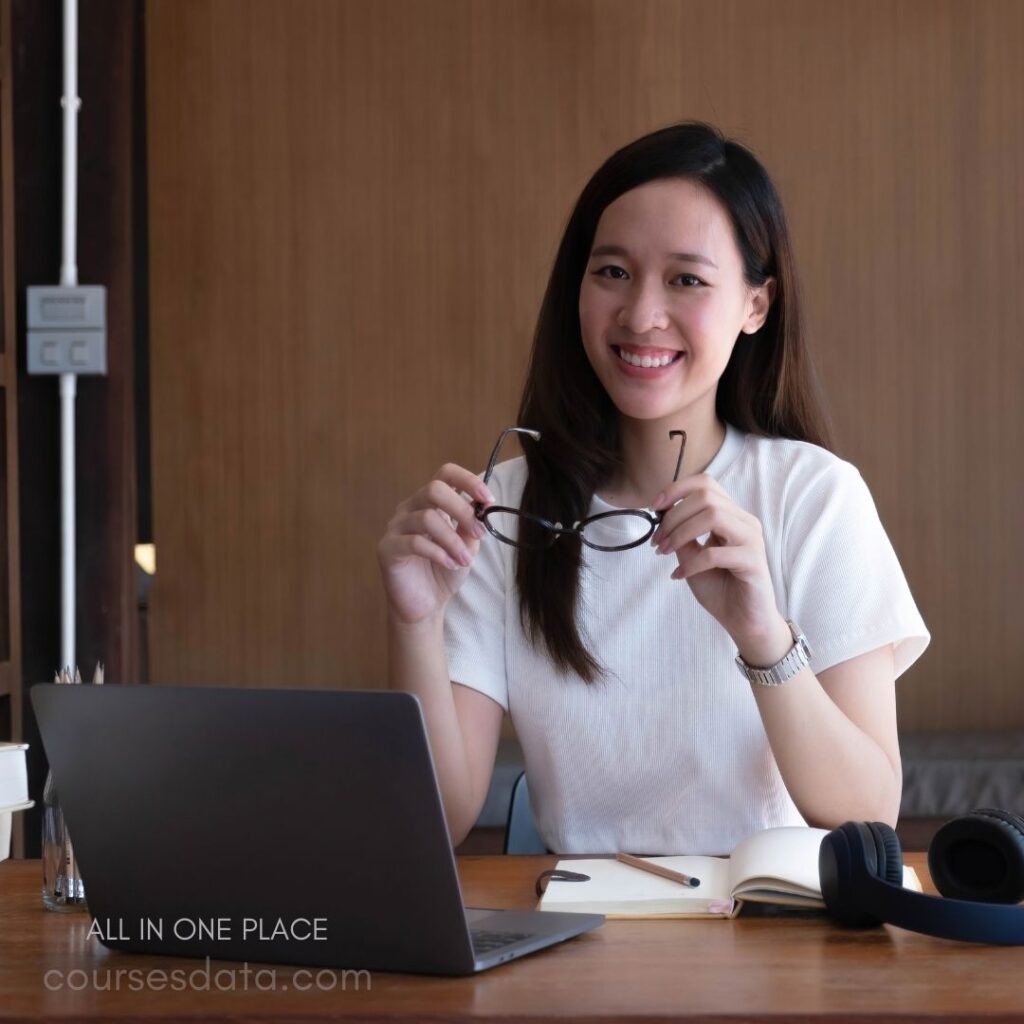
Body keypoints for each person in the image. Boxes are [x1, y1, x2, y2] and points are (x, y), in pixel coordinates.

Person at [377, 122, 929, 855]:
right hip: (581, 942)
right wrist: (416, 623)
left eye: (687, 280)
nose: (640, 316)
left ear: (755, 306)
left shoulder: (814, 497)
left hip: (775, 943)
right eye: (611, 272)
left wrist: (763, 638)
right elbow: (431, 827)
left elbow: (868, 818)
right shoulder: (499, 513)